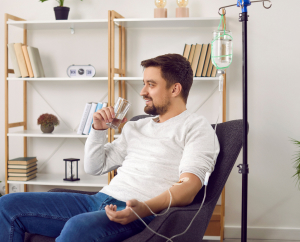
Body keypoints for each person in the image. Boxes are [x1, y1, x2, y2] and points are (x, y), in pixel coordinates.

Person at [0, 53, 220, 242]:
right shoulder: (136, 126)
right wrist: (97, 130)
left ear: (175, 89)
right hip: (98, 200)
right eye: (144, 83)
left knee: (77, 228)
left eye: (151, 84)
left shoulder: (196, 128)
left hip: (139, 212)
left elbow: (189, 187)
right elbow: (95, 167)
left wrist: (145, 208)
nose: (142, 91)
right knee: (8, 204)